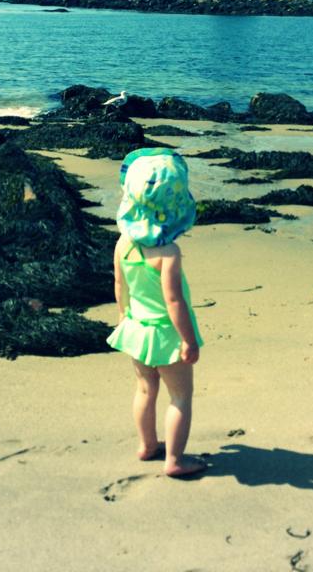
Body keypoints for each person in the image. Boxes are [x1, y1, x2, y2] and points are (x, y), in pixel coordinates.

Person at [107, 147, 206, 478]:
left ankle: (147, 445)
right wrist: (188, 341)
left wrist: (124, 317)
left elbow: (120, 285)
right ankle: (175, 460)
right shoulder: (169, 252)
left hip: (136, 328)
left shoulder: (123, 243)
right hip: (166, 336)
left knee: (145, 390)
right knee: (180, 396)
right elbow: (174, 301)